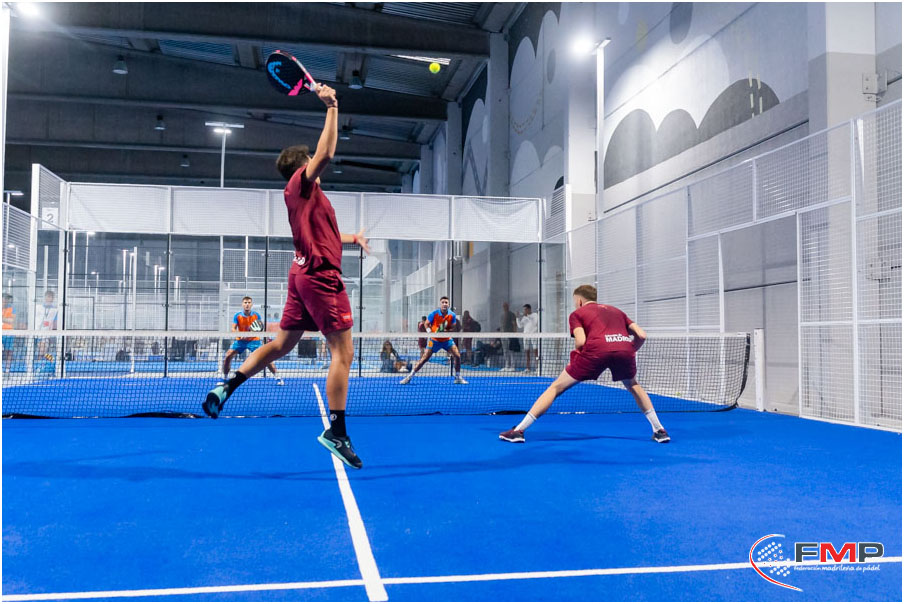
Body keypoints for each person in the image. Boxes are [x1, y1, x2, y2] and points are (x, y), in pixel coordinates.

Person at [204, 82, 371, 469]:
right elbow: (326, 153)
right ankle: (337, 432)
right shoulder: (300, 185)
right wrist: (332, 106)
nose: (316, 163)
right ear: (302, 167)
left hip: (301, 274)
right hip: (320, 278)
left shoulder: (310, 200)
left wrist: (353, 238)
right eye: (309, 161)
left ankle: (228, 384)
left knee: (282, 343)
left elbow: (325, 235)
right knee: (343, 353)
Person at [499, 284, 670, 444]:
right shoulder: (617, 311)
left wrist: (579, 356)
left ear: (580, 301)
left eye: (575, 302)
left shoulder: (577, 314)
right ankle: (659, 430)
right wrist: (629, 349)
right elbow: (641, 335)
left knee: (555, 388)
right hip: (624, 348)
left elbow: (580, 341)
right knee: (633, 385)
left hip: (595, 351)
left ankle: (518, 431)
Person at [400, 296, 467, 385]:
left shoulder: (452, 315)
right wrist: (429, 332)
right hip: (434, 340)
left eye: (446, 303)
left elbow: (453, 327)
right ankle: (409, 377)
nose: (444, 304)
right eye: (443, 302)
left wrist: (445, 330)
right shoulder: (434, 314)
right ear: (440, 304)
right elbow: (426, 324)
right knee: (424, 359)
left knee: (457, 355)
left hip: (447, 340)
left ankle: (458, 377)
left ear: (448, 304)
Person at [222, 296, 283, 385]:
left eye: (249, 302)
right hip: (240, 341)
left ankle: (278, 377)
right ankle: (225, 378)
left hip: (254, 341)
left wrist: (250, 334)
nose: (247, 304)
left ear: (251, 304)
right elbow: (233, 329)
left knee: (266, 357)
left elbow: (259, 328)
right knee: (228, 355)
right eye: (245, 303)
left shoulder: (256, 315)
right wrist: (240, 335)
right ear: (242, 304)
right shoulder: (237, 315)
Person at [35, 290, 59, 366]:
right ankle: (50, 360)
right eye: (48, 296)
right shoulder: (38, 308)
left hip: (46, 334)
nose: (49, 298)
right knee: (40, 352)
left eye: (51, 297)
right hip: (35, 333)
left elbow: (55, 324)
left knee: (42, 351)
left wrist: (53, 332)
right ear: (45, 297)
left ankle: (45, 363)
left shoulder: (55, 310)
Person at [516, 304, 539, 373]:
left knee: (536, 351)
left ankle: (537, 368)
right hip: (526, 336)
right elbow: (520, 326)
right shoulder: (524, 318)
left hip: (533, 335)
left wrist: (527, 317)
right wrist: (517, 318)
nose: (524, 311)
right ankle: (528, 368)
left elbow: (535, 323)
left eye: (525, 309)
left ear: (529, 309)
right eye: (524, 310)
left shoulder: (535, 315)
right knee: (527, 352)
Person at [500, 302, 519, 371]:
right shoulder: (502, 315)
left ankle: (513, 366)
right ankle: (507, 365)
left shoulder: (511, 314)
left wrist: (514, 334)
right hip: (503, 335)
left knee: (511, 350)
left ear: (508, 306)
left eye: (506, 306)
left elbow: (514, 324)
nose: (504, 307)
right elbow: (502, 325)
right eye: (503, 306)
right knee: (505, 350)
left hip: (510, 335)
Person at [2, 294, 15, 367]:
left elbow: (11, 321)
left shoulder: (12, 309)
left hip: (9, 333)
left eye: (6, 299)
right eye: (3, 299)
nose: (5, 301)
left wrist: (3, 319)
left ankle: (7, 368)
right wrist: (5, 319)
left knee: (9, 351)